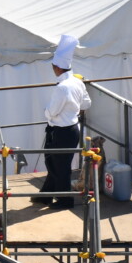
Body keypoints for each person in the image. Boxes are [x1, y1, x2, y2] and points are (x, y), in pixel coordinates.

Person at [35, 35, 90, 209]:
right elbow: (86, 103)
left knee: (60, 167)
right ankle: (46, 195)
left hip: (60, 131)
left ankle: (65, 200)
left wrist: (48, 114)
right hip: (72, 128)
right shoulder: (77, 83)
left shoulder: (62, 88)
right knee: (55, 163)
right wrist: (73, 110)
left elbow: (52, 112)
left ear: (57, 68)